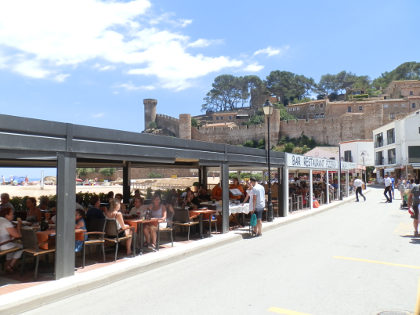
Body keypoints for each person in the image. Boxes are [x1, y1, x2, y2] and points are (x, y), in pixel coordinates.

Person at [0, 207, 22, 273]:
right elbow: (18, 236)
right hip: (3, 245)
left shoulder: (1, 220)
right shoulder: (6, 223)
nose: (13, 215)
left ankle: (7, 266)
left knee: (12, 246)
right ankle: (10, 266)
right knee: (21, 246)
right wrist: (19, 226)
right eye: (11, 214)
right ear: (6, 215)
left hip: (3, 243)